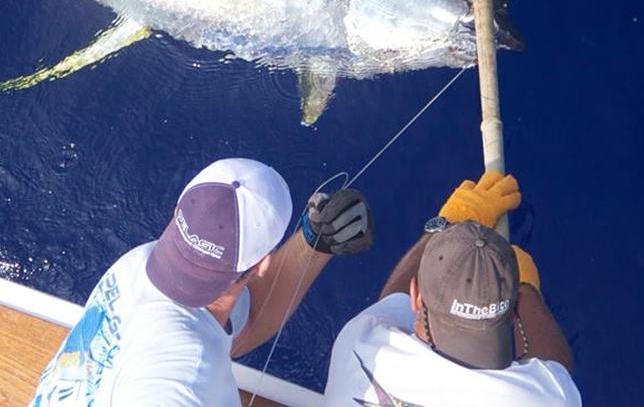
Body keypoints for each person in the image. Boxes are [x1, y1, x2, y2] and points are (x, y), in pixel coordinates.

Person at [32, 158, 373, 406]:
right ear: (263, 263)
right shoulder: (190, 378)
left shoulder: (139, 263)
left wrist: (315, 243)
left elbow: (246, 323)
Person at [324, 171, 581, 406]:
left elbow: (391, 302)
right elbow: (557, 372)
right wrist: (526, 291)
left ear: (417, 296)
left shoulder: (359, 344)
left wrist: (446, 222)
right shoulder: (544, 399)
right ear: (513, 314)